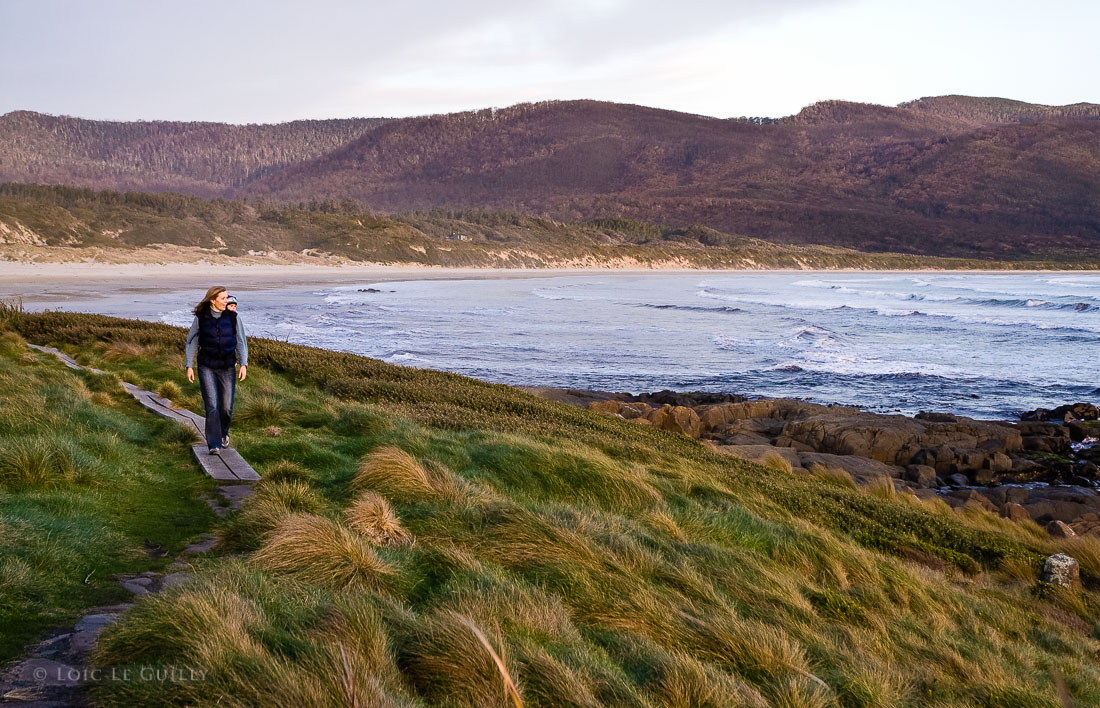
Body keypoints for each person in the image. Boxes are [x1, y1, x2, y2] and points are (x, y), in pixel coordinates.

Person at [185, 286, 248, 455]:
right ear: (212, 300)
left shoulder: (233, 317)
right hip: (206, 366)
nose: (226, 301)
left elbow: (241, 341)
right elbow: (192, 341)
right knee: (211, 405)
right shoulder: (201, 317)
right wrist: (189, 365)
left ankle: (224, 432)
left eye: (227, 298)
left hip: (227, 366)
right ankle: (214, 444)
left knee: (226, 407)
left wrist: (243, 363)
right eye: (223, 299)